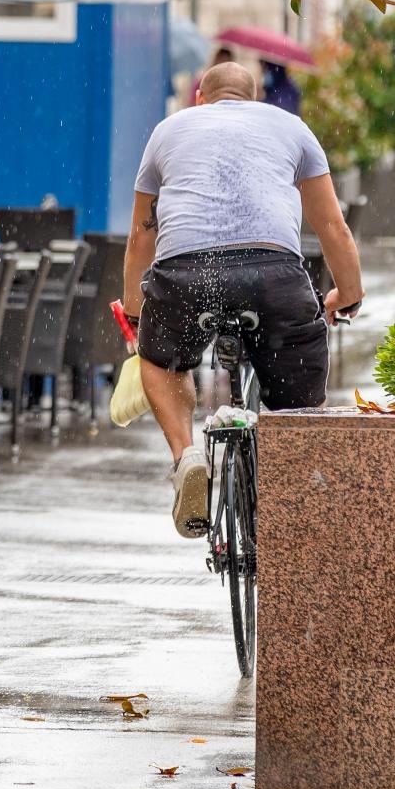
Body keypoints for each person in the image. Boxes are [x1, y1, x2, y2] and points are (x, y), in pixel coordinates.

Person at [122, 62, 363, 536]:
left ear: (200, 98)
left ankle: (186, 457)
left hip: (188, 273)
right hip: (274, 274)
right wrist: (348, 293)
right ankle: (291, 488)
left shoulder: (169, 130)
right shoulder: (291, 127)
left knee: (162, 362)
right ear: (255, 101)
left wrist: (135, 305)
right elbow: (332, 226)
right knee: (298, 402)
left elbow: (141, 234)